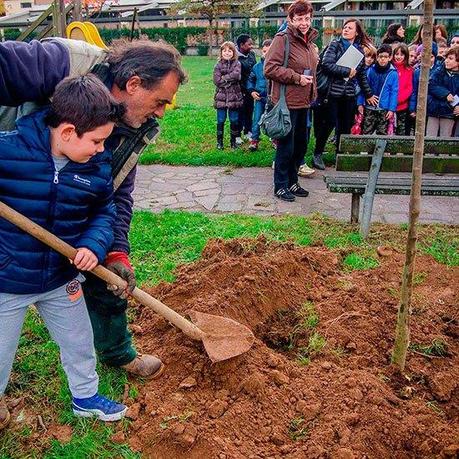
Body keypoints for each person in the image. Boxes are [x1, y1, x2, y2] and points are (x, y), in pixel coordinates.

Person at [0, 38, 187, 378]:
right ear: (133, 84)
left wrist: (116, 251)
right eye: (160, 101)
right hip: (14, 184)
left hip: (72, 196)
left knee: (106, 272)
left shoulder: (134, 128)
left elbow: (116, 196)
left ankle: (118, 353)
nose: (161, 111)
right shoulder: (65, 62)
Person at [0, 75, 128, 430]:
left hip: (61, 277)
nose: (102, 149)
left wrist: (93, 245)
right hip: (7, 277)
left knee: (79, 341)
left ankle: (85, 397)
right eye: (98, 141)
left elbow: (104, 212)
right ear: (68, 132)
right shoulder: (9, 150)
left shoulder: (94, 166)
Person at [264, 0, 318, 202]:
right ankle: (280, 185)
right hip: (286, 103)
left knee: (300, 146)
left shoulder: (309, 41)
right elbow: (269, 68)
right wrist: (297, 77)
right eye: (299, 19)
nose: (304, 22)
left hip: (304, 102)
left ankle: (293, 182)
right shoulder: (283, 39)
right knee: (286, 147)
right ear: (291, 19)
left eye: (307, 18)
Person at [313, 18, 375, 169]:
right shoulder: (335, 44)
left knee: (345, 126)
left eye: (350, 28)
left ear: (357, 32)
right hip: (332, 92)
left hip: (348, 94)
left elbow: (360, 75)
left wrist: (368, 94)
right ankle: (318, 153)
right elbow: (326, 65)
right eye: (345, 27)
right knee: (328, 124)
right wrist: (346, 71)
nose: (346, 30)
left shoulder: (359, 50)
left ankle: (340, 155)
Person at [358, 44, 398, 135]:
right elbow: (363, 86)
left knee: (382, 133)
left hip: (383, 108)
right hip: (369, 107)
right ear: (377, 57)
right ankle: (365, 149)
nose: (382, 59)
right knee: (366, 131)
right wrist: (360, 103)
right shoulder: (370, 70)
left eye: (385, 57)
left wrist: (391, 109)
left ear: (390, 57)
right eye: (380, 57)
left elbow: (394, 92)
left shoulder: (393, 73)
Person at [213, 41, 243, 150]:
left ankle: (233, 142)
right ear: (221, 52)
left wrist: (224, 78)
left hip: (234, 97)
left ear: (233, 52)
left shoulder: (237, 64)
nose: (227, 53)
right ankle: (219, 142)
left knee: (234, 120)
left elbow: (237, 76)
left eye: (229, 51)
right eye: (224, 51)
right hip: (221, 97)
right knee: (220, 120)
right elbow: (216, 80)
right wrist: (228, 80)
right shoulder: (218, 65)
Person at [426, 46, 459, 137]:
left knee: (445, 138)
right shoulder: (440, 70)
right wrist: (445, 94)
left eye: (451, 58)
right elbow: (431, 84)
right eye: (446, 58)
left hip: (449, 112)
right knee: (430, 138)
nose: (446, 61)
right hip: (434, 110)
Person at [247, 39, 272, 152]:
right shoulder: (257, 67)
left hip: (273, 98)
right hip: (259, 98)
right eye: (264, 51)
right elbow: (251, 79)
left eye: (269, 51)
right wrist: (252, 91)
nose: (266, 53)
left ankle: (275, 139)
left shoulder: (277, 66)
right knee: (257, 119)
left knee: (273, 119)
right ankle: (254, 140)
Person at [409, 43, 439, 127]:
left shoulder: (439, 71)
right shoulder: (417, 72)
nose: (428, 59)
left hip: (434, 107)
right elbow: (414, 91)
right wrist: (412, 108)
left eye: (431, 57)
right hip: (420, 106)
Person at [236, 34, 257, 143]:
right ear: (241, 45)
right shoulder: (235, 57)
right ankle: (237, 135)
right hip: (239, 90)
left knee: (250, 110)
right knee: (240, 112)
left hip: (250, 89)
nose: (251, 46)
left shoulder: (252, 55)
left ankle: (248, 131)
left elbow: (254, 71)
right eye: (249, 44)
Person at [392, 44, 413, 135]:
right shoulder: (390, 68)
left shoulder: (409, 70)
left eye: (401, 54)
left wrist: (398, 100)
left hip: (402, 106)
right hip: (389, 106)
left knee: (401, 130)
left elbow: (409, 88)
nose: (399, 57)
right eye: (397, 54)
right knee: (389, 129)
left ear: (406, 56)